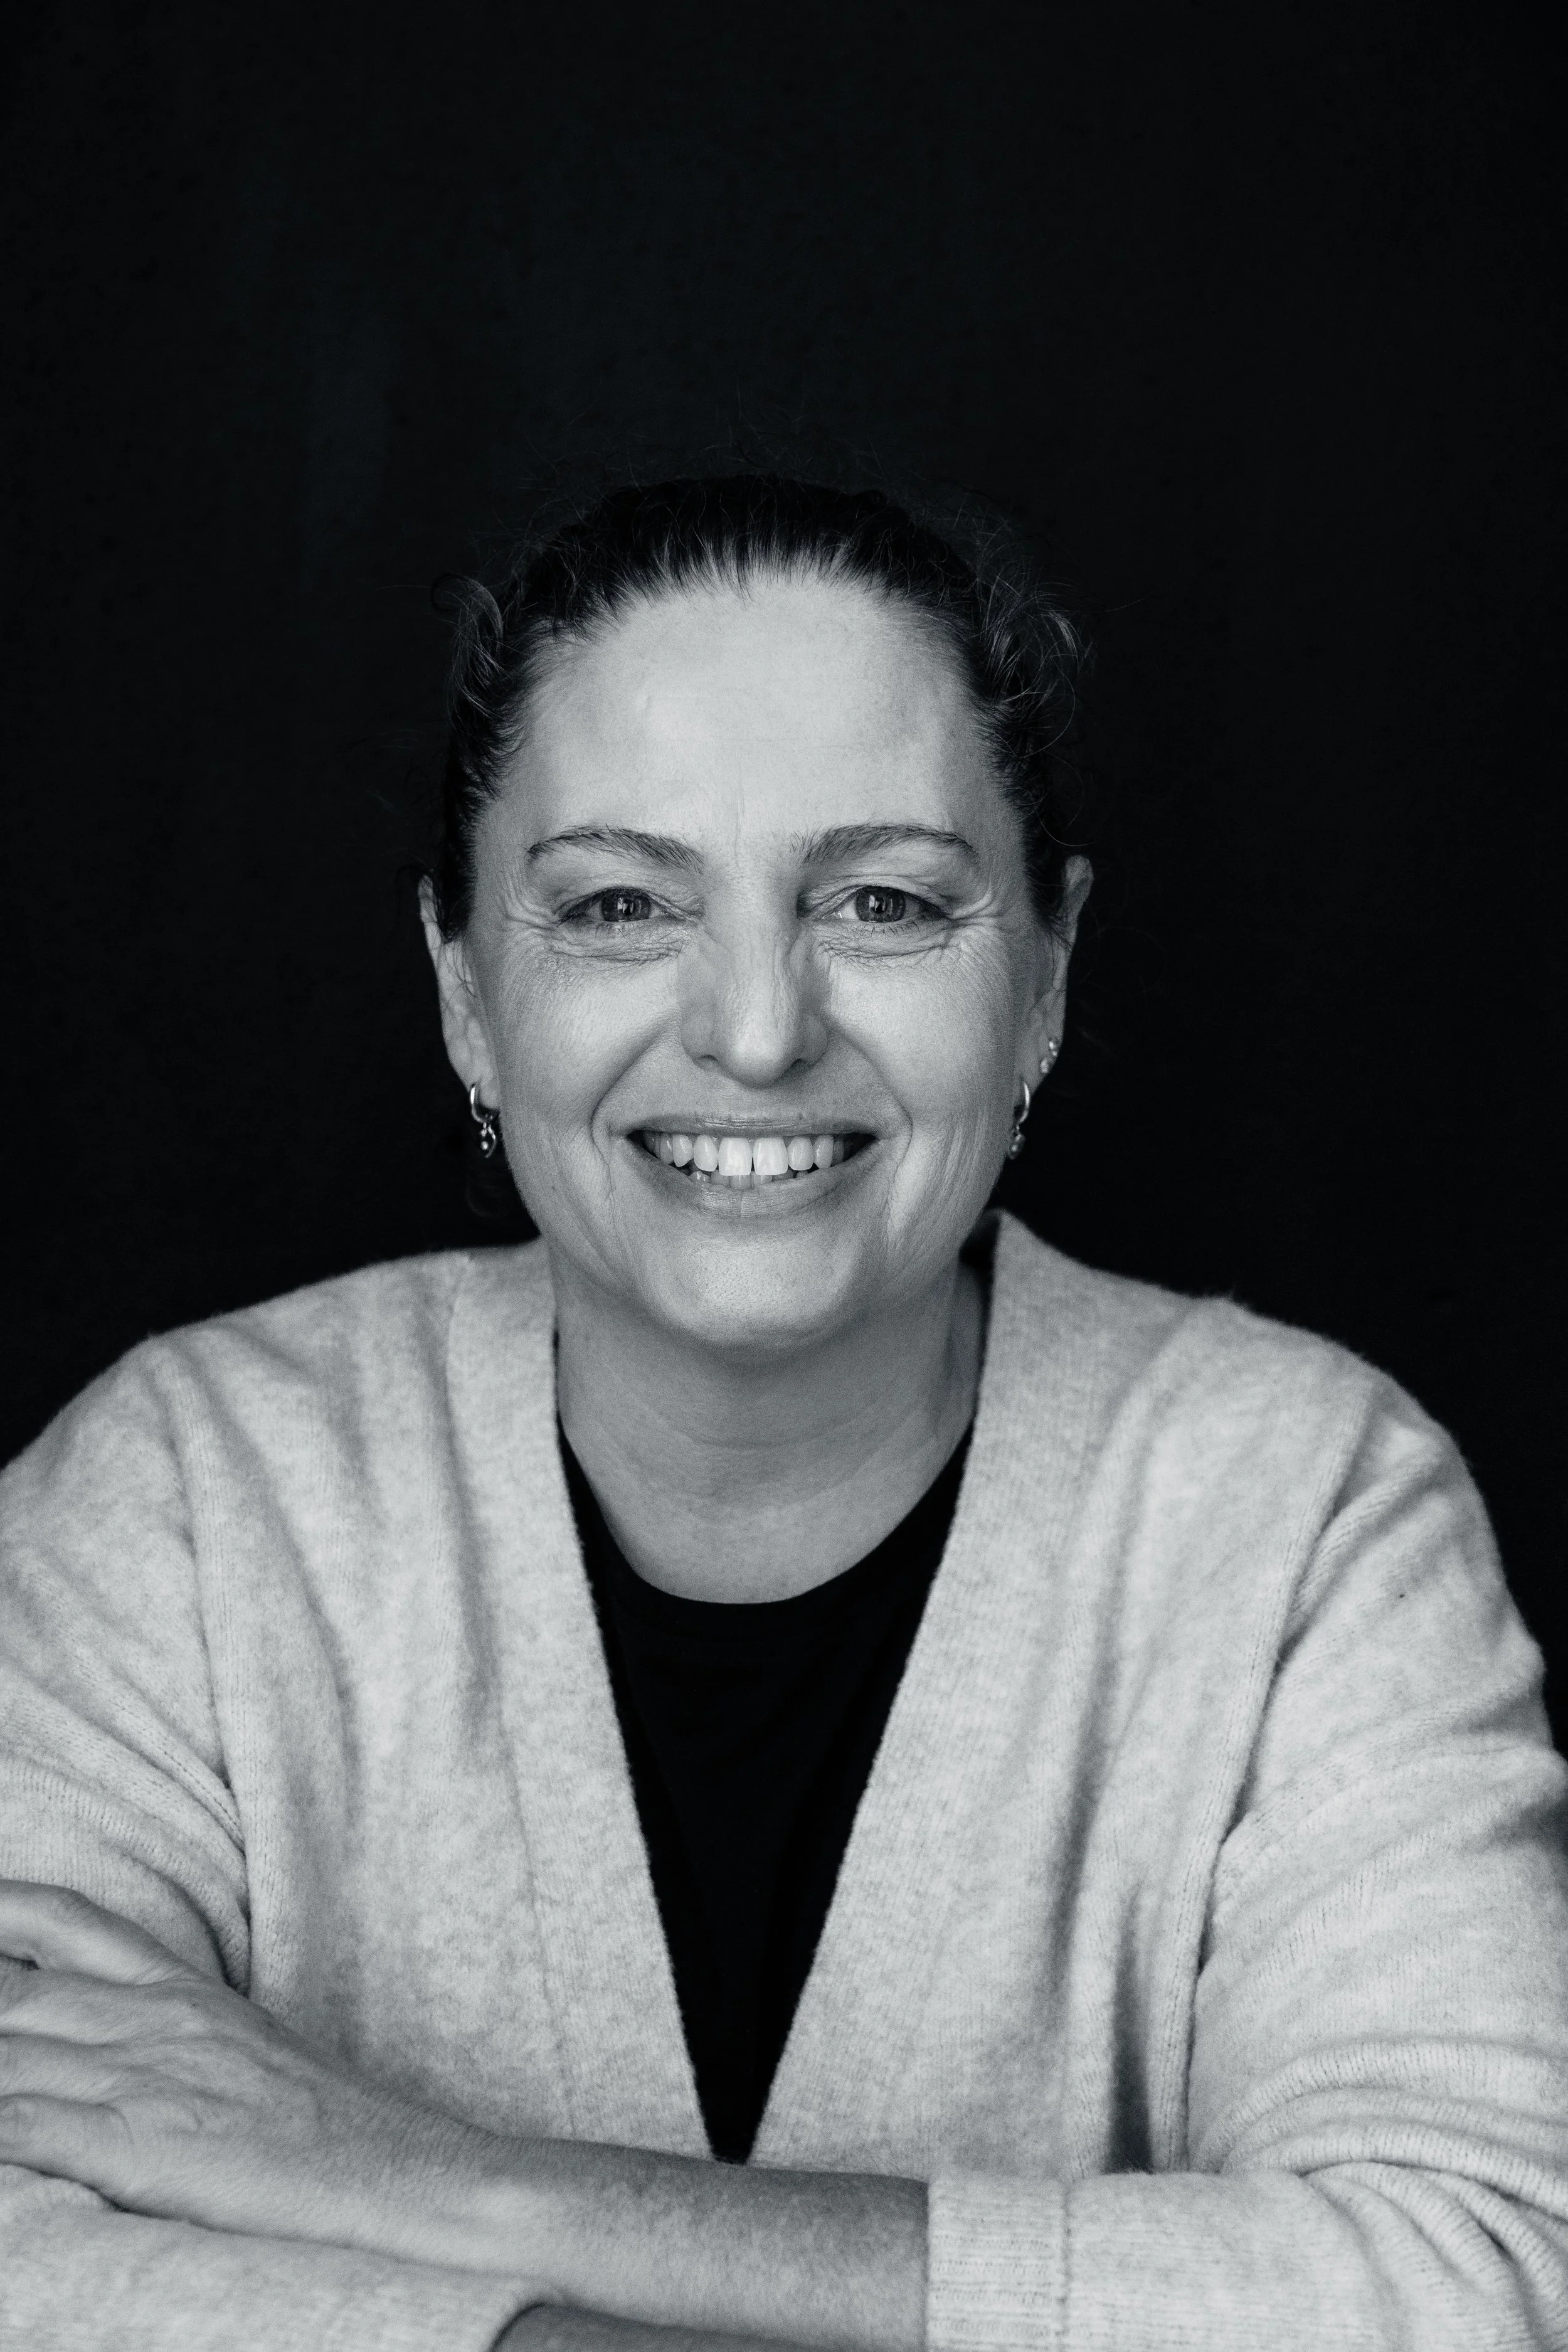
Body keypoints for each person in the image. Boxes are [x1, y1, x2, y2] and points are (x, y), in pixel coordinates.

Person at [1, 472, 1565, 2352]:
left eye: (885, 898)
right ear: (466, 997)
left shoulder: (1304, 1508)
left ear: (1047, 977)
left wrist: (426, 2182)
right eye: (614, 903)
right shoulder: (184, 1494)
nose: (755, 1027)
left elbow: (1476, 2280)